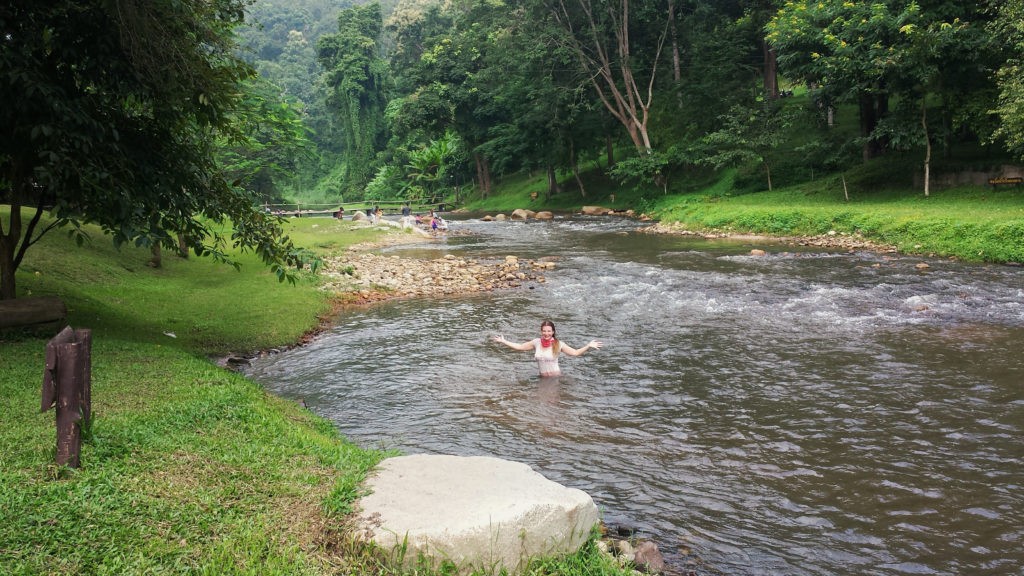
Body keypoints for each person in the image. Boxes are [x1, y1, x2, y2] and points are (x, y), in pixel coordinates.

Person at [492, 319, 602, 377]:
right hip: (542, 378)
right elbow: (520, 347)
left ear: (553, 332)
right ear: (541, 331)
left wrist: (588, 346)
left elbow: (575, 353)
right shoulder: (536, 342)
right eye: (544, 331)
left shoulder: (559, 344)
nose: (546, 333)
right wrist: (504, 341)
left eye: (549, 331)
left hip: (555, 378)